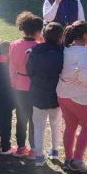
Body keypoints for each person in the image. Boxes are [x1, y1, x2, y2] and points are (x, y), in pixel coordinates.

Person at [56, 20, 87, 173]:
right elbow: (84, 76)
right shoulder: (84, 52)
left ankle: (68, 159)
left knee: (70, 127)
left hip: (62, 94)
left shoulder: (66, 49)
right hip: (79, 96)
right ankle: (78, 160)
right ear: (86, 35)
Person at [27, 22, 65, 166]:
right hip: (56, 95)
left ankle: (39, 155)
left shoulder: (35, 51)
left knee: (39, 126)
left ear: (43, 35)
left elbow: (29, 72)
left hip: (38, 94)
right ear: (61, 37)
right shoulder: (63, 52)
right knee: (55, 124)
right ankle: (55, 150)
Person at [8, 12, 44, 157]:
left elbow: (11, 67)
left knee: (21, 118)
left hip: (19, 86)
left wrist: (12, 84)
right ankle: (34, 148)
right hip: (34, 87)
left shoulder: (14, 45)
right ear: (37, 31)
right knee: (34, 119)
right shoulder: (39, 47)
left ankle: (21, 147)